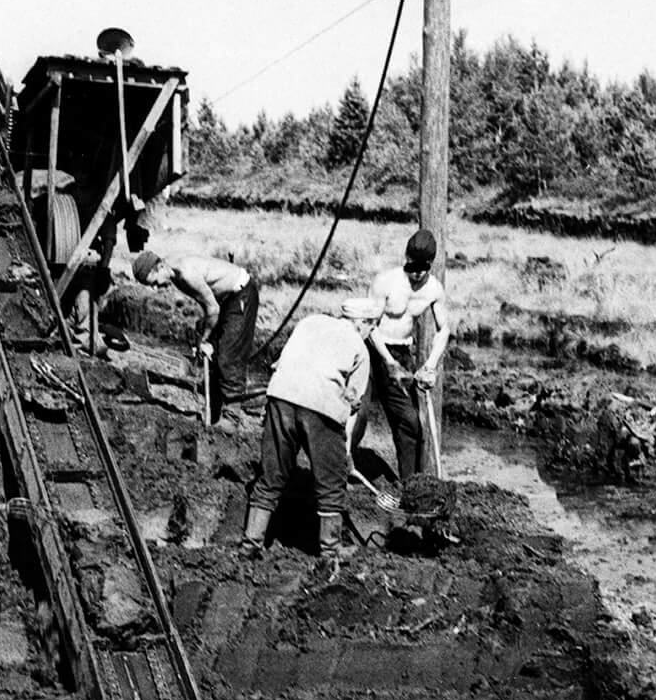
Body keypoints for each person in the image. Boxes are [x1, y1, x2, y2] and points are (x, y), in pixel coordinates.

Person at [243, 298, 378, 561]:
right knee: (330, 482)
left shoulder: (310, 322)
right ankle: (331, 548)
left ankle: (251, 543)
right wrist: (346, 452)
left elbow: (279, 364)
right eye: (373, 326)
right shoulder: (360, 350)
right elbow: (351, 406)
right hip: (321, 405)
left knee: (271, 475)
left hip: (280, 395)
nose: (372, 332)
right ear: (362, 323)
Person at [366, 228, 453, 483]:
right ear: (406, 257)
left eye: (422, 268)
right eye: (412, 266)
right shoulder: (386, 281)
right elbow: (369, 325)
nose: (416, 274)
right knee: (405, 420)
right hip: (375, 349)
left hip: (403, 352)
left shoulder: (434, 289)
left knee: (412, 424)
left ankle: (411, 485)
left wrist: (430, 365)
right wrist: (388, 361)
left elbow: (443, 328)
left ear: (430, 264)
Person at [130, 249, 258, 419]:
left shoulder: (186, 273)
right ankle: (213, 415)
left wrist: (204, 340)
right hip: (224, 301)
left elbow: (212, 309)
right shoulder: (172, 270)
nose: (155, 288)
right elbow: (208, 305)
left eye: (153, 282)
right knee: (213, 356)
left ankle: (231, 417)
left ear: (160, 266)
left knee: (229, 355)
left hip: (241, 296)